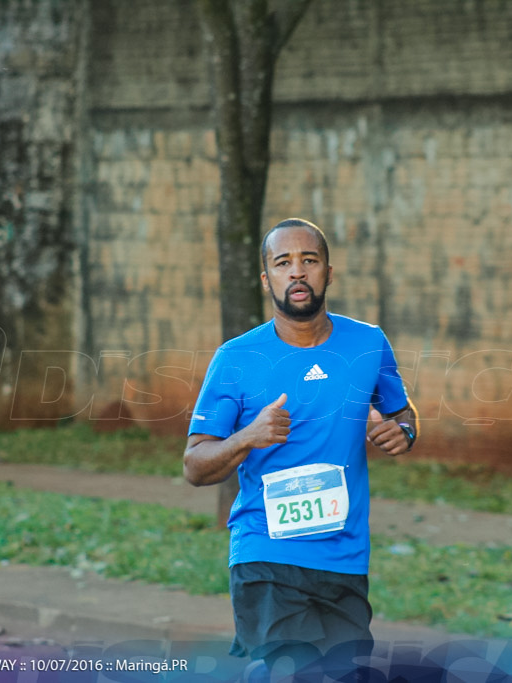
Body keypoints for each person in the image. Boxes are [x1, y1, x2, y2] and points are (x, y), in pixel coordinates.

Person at [184, 218, 419, 678]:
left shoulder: (368, 343)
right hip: (265, 552)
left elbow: (402, 412)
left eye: (309, 261)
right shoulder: (236, 357)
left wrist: (404, 431)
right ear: (266, 278)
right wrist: (247, 436)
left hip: (344, 555)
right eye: (283, 263)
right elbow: (195, 465)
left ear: (328, 272)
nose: (297, 272)